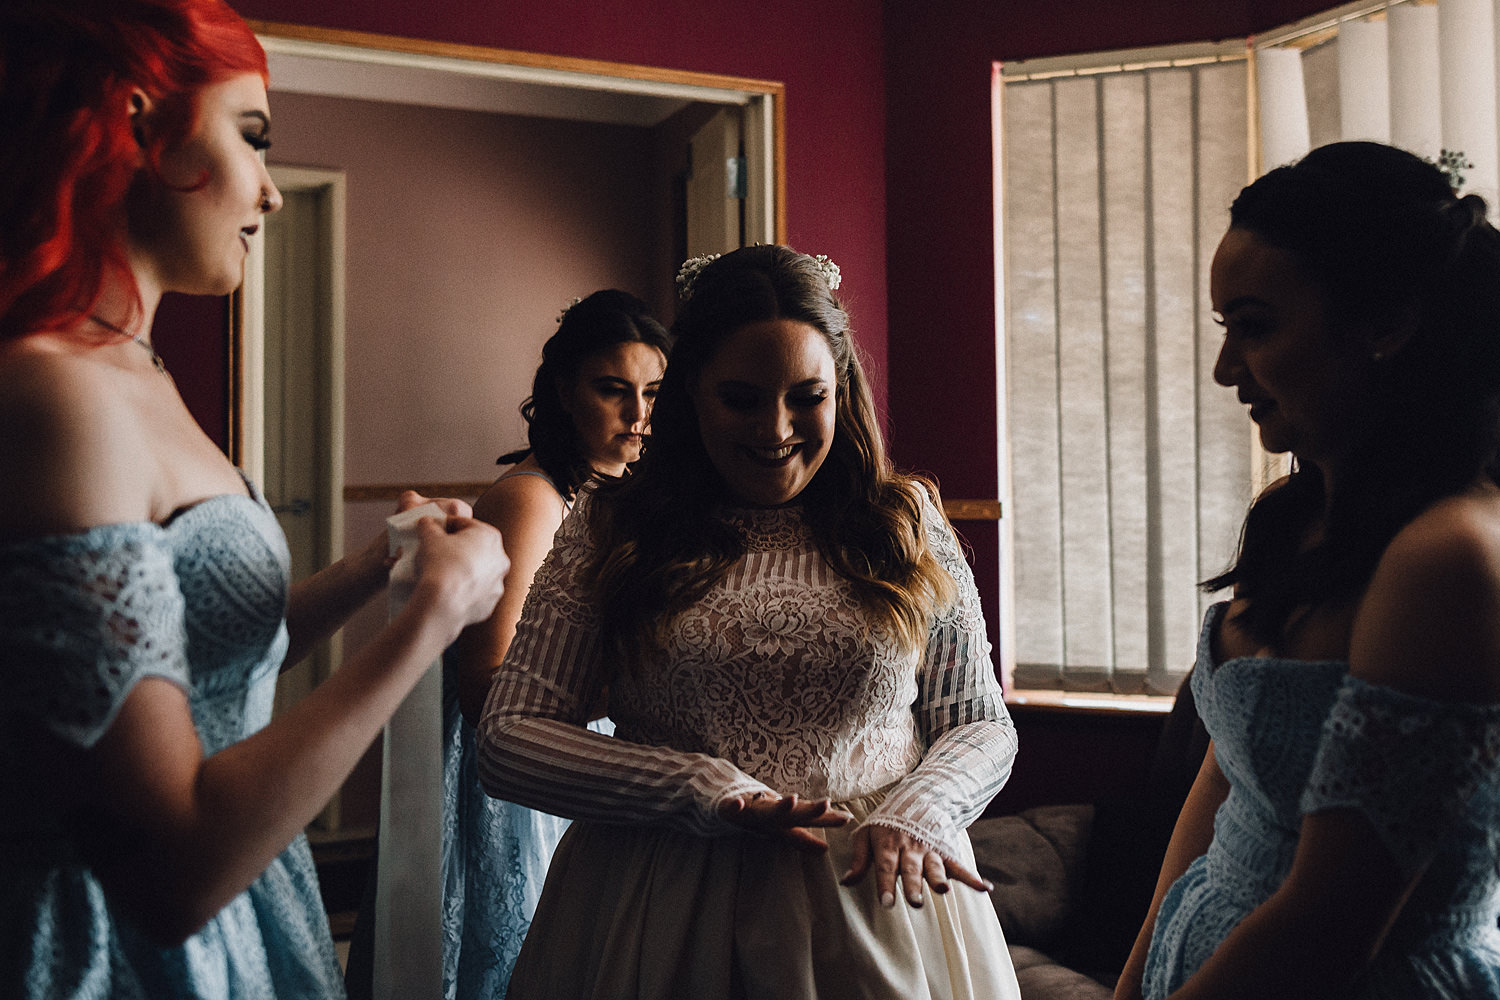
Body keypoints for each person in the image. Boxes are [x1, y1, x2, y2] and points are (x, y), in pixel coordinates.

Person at [0, 2, 509, 997]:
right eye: (252, 135)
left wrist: (380, 567)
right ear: (141, 125)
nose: (271, 193)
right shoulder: (55, 392)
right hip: (111, 946)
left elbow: (185, 654)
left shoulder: (133, 371)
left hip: (252, 910)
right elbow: (167, 864)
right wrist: (433, 618)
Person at [477, 244, 1022, 999]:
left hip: (879, 895)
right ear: (691, 392)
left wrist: (923, 809)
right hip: (659, 902)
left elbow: (980, 722)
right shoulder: (614, 527)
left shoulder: (903, 523)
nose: (776, 428)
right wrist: (697, 787)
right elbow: (508, 739)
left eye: (807, 396)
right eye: (741, 398)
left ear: (842, 390)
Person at [1114, 141, 1500, 1000]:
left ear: (1385, 325)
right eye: (1225, 329)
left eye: (1254, 326)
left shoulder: (1448, 558)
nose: (1225, 370)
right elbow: (1226, 780)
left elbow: (1328, 925)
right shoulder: (1295, 520)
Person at [351, 290, 670, 999]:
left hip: (588, 740)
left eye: (654, 392)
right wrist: (636, 694)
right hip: (517, 776)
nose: (639, 415)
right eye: (613, 390)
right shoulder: (533, 499)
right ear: (563, 391)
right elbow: (485, 681)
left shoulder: (621, 494)